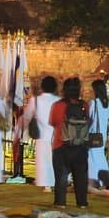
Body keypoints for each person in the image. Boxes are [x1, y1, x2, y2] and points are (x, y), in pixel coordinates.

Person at [49, 76, 89, 210]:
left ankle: (60, 203)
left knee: (61, 177)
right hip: (81, 146)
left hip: (61, 145)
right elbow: (88, 121)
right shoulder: (84, 105)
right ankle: (82, 203)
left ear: (64, 90)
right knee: (81, 177)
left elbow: (53, 122)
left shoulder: (58, 105)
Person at [23, 75, 59, 192]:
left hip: (42, 134)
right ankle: (57, 182)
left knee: (44, 161)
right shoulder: (58, 100)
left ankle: (47, 184)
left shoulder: (35, 100)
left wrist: (21, 131)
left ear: (42, 87)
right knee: (56, 160)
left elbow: (27, 116)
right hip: (56, 134)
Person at [89, 79, 109, 189]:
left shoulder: (94, 103)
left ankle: (95, 181)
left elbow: (90, 119)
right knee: (100, 157)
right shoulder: (106, 104)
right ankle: (104, 181)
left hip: (93, 135)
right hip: (102, 135)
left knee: (92, 158)